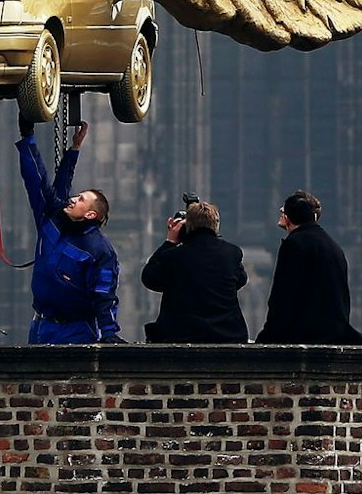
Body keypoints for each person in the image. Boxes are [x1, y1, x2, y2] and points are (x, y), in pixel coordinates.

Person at [16, 119, 120, 344]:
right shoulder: (53, 219)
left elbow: (104, 294)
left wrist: (109, 334)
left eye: (81, 199)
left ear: (91, 214)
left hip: (75, 330)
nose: (73, 199)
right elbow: (38, 181)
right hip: (41, 326)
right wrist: (28, 138)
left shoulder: (99, 250)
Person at [254, 189, 362, 345]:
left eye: (284, 210)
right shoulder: (333, 246)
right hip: (334, 333)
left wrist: (266, 337)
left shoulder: (294, 245)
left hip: (307, 335)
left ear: (288, 217)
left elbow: (283, 297)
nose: (280, 211)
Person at [140, 199, 249, 344]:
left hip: (180, 335)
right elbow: (241, 280)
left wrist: (169, 242)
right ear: (216, 225)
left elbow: (149, 278)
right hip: (228, 334)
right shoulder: (232, 253)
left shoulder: (172, 256)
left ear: (187, 227)